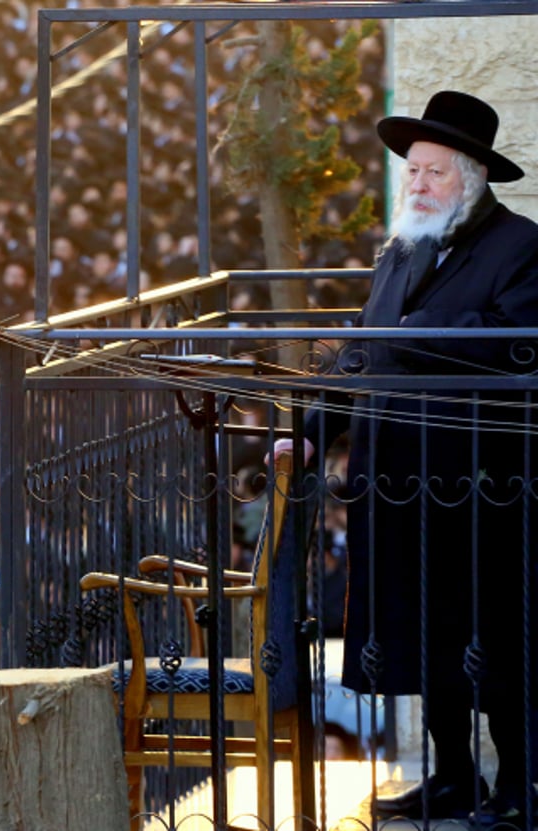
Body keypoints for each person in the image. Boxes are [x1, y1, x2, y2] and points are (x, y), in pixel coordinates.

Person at [275, 90, 538, 823]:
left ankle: (519, 787)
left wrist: (420, 326)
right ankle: (454, 774)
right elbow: (362, 348)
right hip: (395, 482)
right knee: (424, 632)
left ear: (472, 178)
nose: (416, 185)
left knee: (496, 634)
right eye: (412, 172)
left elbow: (509, 338)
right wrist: (312, 427)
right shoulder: (401, 249)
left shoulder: (521, 247)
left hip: (480, 485)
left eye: (432, 173)